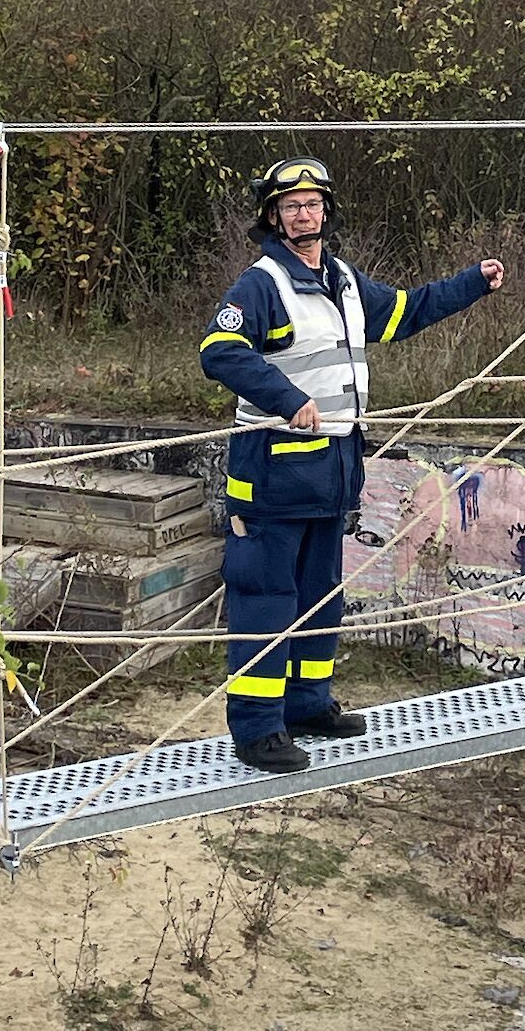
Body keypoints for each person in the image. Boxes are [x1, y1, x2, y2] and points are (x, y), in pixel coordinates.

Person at [200, 156, 504, 774]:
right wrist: (288, 400)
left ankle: (307, 706)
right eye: (290, 206)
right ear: (273, 217)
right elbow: (220, 351)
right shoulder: (261, 284)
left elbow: (404, 312)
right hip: (272, 475)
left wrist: (472, 281)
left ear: (326, 212)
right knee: (266, 599)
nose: (302, 213)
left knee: (319, 600)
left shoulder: (341, 281)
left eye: (311, 204)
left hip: (332, 474)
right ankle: (258, 731)